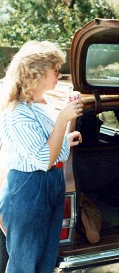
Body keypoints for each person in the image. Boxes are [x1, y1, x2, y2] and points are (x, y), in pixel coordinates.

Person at [0, 40, 83, 273]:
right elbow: (44, 158)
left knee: (45, 263)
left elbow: (57, 152)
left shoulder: (43, 103)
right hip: (28, 187)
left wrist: (66, 137)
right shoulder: (17, 112)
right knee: (24, 265)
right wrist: (63, 120)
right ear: (36, 73)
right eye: (55, 69)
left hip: (51, 182)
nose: (60, 74)